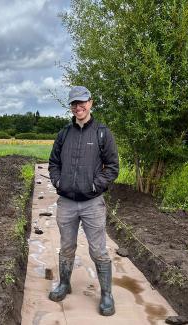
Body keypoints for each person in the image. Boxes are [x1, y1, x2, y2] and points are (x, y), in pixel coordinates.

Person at [48, 86, 119, 316]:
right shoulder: (64, 134)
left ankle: (107, 295)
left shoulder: (101, 132)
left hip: (92, 203)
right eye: (74, 103)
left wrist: (93, 186)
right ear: (70, 107)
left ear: (91, 102)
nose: (78, 107)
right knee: (66, 246)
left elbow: (112, 167)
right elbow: (53, 163)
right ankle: (64, 284)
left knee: (98, 250)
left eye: (82, 102)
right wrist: (59, 182)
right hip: (66, 202)